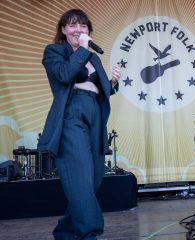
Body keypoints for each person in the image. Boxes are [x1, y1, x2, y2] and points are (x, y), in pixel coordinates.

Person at [38, 9, 121, 240]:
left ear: (89, 30)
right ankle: (89, 233)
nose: (78, 30)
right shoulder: (54, 52)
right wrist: (82, 48)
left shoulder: (93, 58)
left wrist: (114, 82)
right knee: (80, 177)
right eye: (73, 25)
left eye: (83, 26)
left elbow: (101, 90)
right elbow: (65, 75)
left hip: (95, 115)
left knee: (93, 179)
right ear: (63, 30)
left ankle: (65, 231)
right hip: (71, 114)